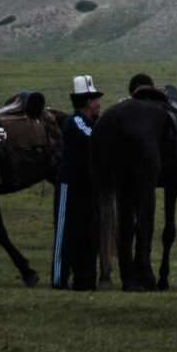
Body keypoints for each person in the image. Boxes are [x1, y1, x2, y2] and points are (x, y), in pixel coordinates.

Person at [51, 75, 103, 290]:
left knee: (87, 233)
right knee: (65, 233)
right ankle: (59, 279)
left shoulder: (92, 122)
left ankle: (84, 280)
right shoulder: (76, 122)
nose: (99, 103)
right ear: (88, 102)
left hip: (88, 187)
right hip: (70, 186)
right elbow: (93, 138)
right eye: (96, 99)